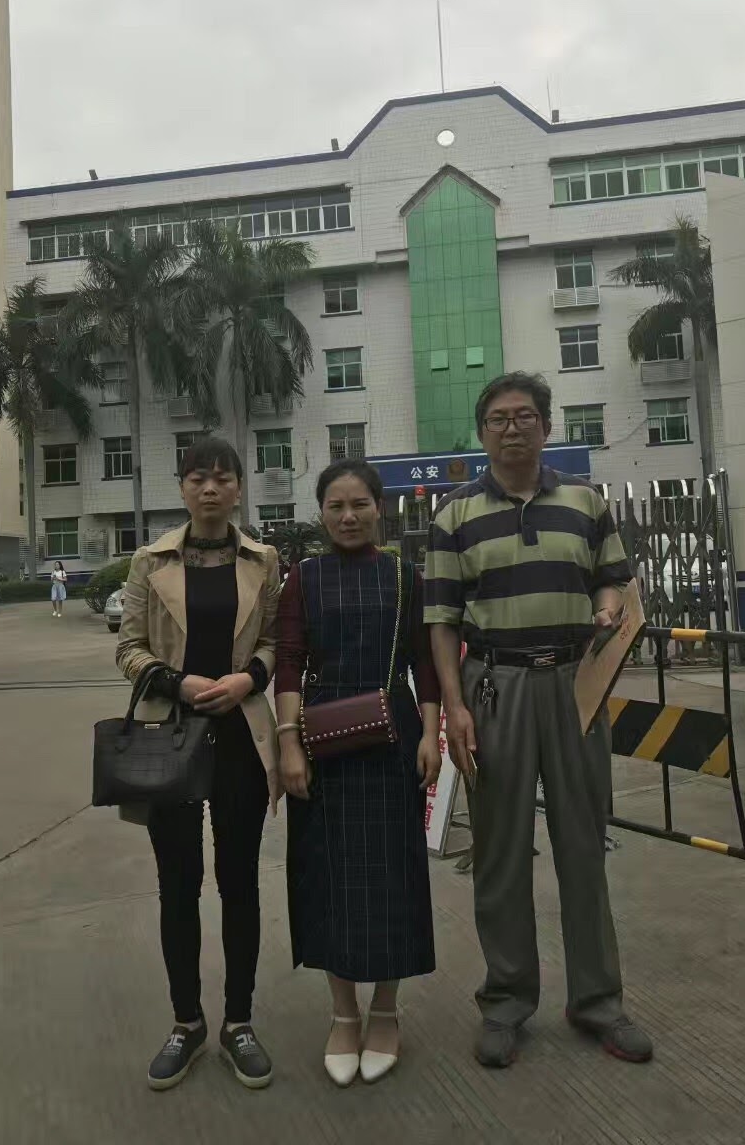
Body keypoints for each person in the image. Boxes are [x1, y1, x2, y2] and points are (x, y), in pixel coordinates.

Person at [424, 372, 653, 1068]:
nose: (512, 427)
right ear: (482, 431)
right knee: (499, 850)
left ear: (547, 427)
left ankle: (597, 1003)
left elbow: (612, 577)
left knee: (584, 842)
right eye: (498, 418)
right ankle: (506, 1001)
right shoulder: (454, 514)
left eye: (525, 416)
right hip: (496, 687)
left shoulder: (585, 502)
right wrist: (455, 707)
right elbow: (441, 620)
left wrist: (607, 606)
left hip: (575, 686)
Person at [116, 437, 282, 1092]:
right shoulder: (149, 561)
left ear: (238, 487)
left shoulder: (263, 561)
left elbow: (275, 640)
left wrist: (249, 680)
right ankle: (186, 1022)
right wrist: (174, 681)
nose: (209, 488)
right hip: (171, 738)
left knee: (240, 883)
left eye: (221, 478)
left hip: (241, 738)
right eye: (197, 478)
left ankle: (239, 1022)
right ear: (182, 487)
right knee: (178, 885)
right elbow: (128, 647)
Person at [276, 460, 441, 1087]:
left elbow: (425, 664)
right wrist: (289, 745)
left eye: (360, 504)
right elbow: (288, 662)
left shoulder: (405, 577)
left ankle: (387, 1011)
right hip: (321, 739)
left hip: (392, 735)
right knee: (329, 877)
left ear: (380, 508)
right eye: (335, 506)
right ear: (321, 513)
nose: (348, 517)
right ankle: (343, 1014)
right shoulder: (303, 578)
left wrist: (430, 736)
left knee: (392, 875)